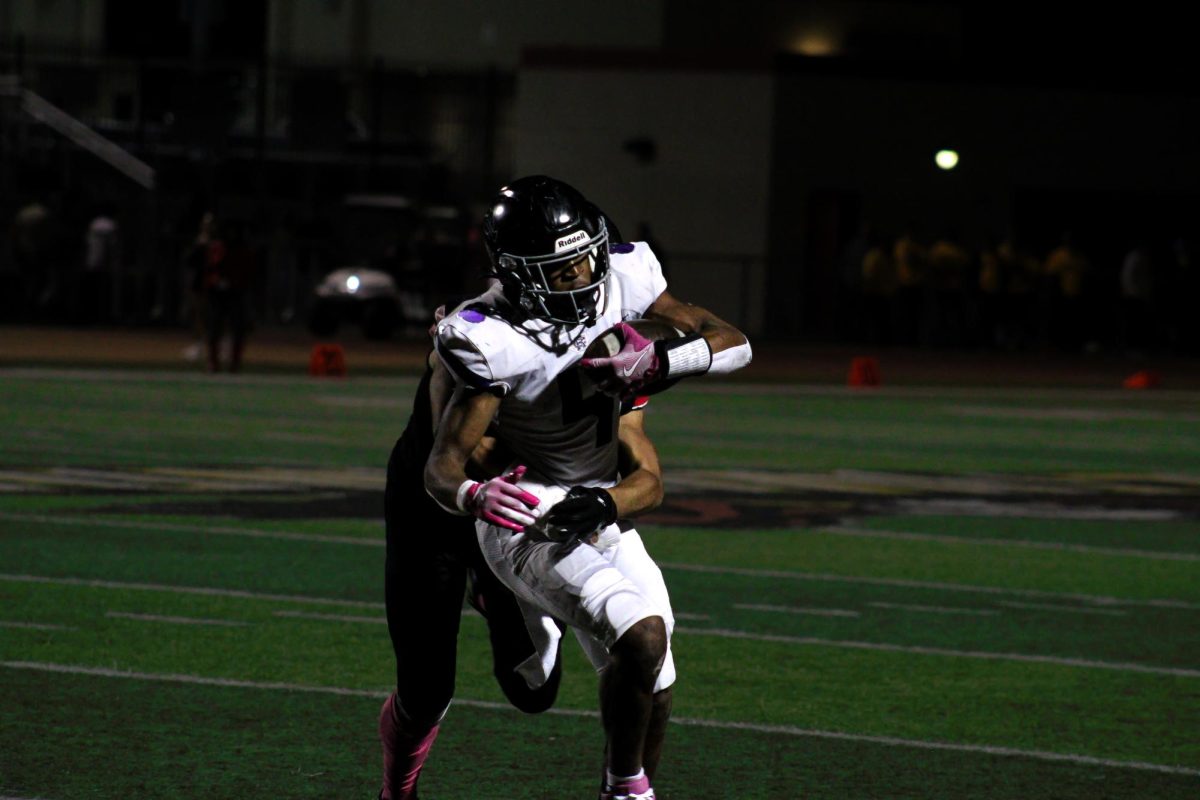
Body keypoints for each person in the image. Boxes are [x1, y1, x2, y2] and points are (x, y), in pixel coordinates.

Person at [424, 175, 752, 800]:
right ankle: (627, 787)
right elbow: (443, 465)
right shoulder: (487, 336)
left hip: (598, 506)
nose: (581, 276)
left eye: (584, 258)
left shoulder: (624, 295)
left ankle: (623, 787)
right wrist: (475, 496)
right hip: (525, 511)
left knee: (655, 675)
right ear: (517, 272)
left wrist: (660, 362)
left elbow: (735, 345)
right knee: (630, 641)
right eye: (561, 268)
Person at [379, 301, 661, 800]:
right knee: (425, 691)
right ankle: (397, 792)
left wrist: (602, 496)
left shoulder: (607, 343)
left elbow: (645, 467)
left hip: (516, 511)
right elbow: (454, 463)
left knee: (533, 692)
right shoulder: (481, 344)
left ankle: (490, 597)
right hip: (435, 508)